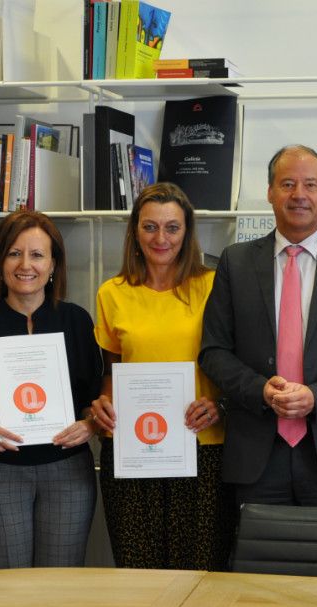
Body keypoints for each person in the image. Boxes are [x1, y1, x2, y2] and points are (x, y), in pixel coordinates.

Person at [200, 145, 317, 507]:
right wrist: (261, 391)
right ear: (270, 192)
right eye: (287, 184)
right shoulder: (235, 262)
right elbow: (214, 352)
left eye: (310, 184)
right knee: (258, 563)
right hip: (257, 452)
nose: (299, 195)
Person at [89, 182, 235, 570]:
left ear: (187, 232)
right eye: (150, 226)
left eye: (172, 227)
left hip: (201, 446)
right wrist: (103, 402)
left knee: (202, 571)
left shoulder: (214, 286)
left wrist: (220, 405)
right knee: (139, 569)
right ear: (135, 231)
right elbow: (111, 370)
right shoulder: (112, 293)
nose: (161, 238)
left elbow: (233, 361)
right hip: (134, 449)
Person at [0, 210, 101, 569]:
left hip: (67, 470)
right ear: (0, 261)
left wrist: (90, 425)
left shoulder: (77, 321)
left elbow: (96, 399)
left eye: (37, 254)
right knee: (6, 581)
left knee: (62, 581)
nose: (25, 265)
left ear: (52, 264)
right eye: (14, 253)